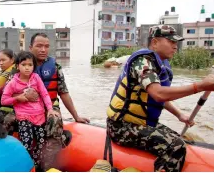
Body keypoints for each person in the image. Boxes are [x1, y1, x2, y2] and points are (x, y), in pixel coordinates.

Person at [106, 25, 214, 172]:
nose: (175, 47)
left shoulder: (160, 64)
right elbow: (158, 93)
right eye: (171, 42)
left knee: (179, 138)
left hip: (138, 123)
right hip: (121, 126)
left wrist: (180, 115)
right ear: (155, 42)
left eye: (176, 43)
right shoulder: (142, 62)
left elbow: (156, 97)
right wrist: (199, 86)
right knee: (175, 145)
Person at [25, 32, 90, 170]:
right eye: (39, 46)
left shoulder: (55, 67)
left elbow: (64, 93)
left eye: (46, 46)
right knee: (7, 120)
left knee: (55, 123)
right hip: (26, 107)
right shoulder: (21, 65)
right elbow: (9, 90)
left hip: (50, 108)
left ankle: (46, 167)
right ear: (30, 47)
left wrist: (76, 116)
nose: (43, 50)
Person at [1, 51, 58, 168]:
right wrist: (18, 98)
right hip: (24, 117)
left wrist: (50, 109)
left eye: (30, 65)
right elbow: (4, 100)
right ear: (17, 66)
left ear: (33, 66)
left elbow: (44, 94)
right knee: (26, 143)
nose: (27, 68)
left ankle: (36, 167)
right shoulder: (13, 83)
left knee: (41, 142)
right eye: (24, 65)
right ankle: (25, 166)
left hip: (40, 116)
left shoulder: (36, 78)